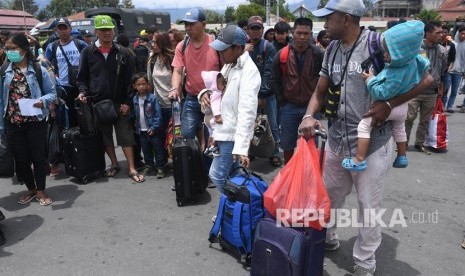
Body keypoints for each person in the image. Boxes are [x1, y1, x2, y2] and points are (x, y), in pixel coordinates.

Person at [298, 0, 433, 275]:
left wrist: (389, 104)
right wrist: (308, 116)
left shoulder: (380, 45)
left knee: (367, 206)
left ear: (346, 19)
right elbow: (320, 91)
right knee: (330, 197)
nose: (325, 24)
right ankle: (329, 237)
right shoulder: (332, 49)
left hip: (372, 143)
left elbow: (427, 79)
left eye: (329, 18)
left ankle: (364, 263)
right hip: (337, 140)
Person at [342, 20, 430, 171]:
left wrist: (370, 79)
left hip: (390, 107)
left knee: (364, 126)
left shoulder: (397, 72)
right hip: (402, 107)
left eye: (389, 52)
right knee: (399, 129)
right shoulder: (415, 60)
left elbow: (382, 92)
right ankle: (402, 156)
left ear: (401, 53)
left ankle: (359, 159)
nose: (385, 55)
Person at [76, 15, 144, 183]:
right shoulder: (88, 52)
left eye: (109, 30)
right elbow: (82, 78)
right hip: (98, 104)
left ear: (114, 31)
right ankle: (114, 164)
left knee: (126, 136)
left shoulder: (123, 52)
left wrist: (128, 103)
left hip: (120, 103)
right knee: (106, 137)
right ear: (96, 32)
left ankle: (131, 168)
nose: (107, 33)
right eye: (103, 30)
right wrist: (83, 92)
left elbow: (131, 80)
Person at [199, 25, 260, 193]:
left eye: (224, 50)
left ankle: (232, 210)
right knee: (233, 176)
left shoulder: (249, 72)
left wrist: (241, 147)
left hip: (232, 134)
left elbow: (247, 112)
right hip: (223, 131)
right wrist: (204, 93)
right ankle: (235, 213)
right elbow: (217, 88)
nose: (220, 54)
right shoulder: (229, 65)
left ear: (239, 48)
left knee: (217, 175)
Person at [0, 33, 57, 206]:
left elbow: (52, 93)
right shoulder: (4, 72)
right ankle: (31, 189)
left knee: (38, 157)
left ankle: (40, 190)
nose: (10, 52)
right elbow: (1, 100)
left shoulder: (38, 69)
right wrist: (2, 127)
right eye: (7, 49)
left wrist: (42, 101)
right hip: (13, 123)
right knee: (21, 159)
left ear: (24, 49)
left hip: (36, 122)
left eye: (13, 48)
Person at [271, 17, 324, 164]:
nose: (302, 37)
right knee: (287, 144)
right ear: (293, 33)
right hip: (289, 107)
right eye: (299, 33)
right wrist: (282, 102)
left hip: (311, 108)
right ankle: (288, 171)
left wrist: (320, 105)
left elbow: (324, 82)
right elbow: (273, 79)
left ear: (311, 34)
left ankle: (309, 172)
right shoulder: (282, 54)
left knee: (312, 144)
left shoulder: (318, 54)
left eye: (306, 33)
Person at [169, 8, 221, 146]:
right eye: (186, 24)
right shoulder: (182, 46)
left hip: (213, 99)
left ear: (203, 24)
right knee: (186, 137)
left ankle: (209, 166)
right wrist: (174, 88)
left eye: (192, 24)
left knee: (212, 139)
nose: (188, 28)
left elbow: (225, 71)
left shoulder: (216, 44)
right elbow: (178, 71)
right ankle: (191, 165)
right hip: (192, 98)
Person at [405, 21, 447, 155]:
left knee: (425, 120)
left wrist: (441, 88)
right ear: (428, 34)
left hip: (432, 92)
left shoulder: (442, 50)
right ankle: (403, 143)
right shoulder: (416, 48)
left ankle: (419, 144)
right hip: (415, 90)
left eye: (441, 32)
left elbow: (443, 71)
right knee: (409, 118)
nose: (441, 35)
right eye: (437, 32)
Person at [246, 15, 281, 167]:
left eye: (258, 28)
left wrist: (262, 94)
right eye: (252, 28)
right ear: (248, 30)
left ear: (262, 30)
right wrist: (244, 53)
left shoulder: (268, 47)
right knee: (251, 124)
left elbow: (268, 72)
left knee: (272, 124)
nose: (255, 31)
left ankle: (274, 153)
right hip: (249, 94)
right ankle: (253, 151)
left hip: (266, 94)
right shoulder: (243, 47)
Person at [45, 17, 87, 128]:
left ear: (70, 29)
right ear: (56, 31)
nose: (63, 31)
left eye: (65, 28)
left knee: (85, 118)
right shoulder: (52, 47)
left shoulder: (81, 44)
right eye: (60, 28)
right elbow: (46, 64)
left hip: (81, 87)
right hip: (63, 88)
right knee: (68, 119)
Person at [131, 73, 166, 178]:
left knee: (158, 148)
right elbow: (135, 114)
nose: (141, 86)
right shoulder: (135, 99)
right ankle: (149, 165)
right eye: (138, 84)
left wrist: (154, 127)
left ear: (147, 85)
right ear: (134, 86)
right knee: (145, 149)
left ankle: (160, 167)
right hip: (141, 130)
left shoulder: (152, 98)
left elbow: (157, 115)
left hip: (152, 130)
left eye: (143, 83)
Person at [200, 71, 225, 147]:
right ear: (214, 85)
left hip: (208, 119)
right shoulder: (216, 94)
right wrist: (218, 116)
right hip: (214, 119)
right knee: (215, 134)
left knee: (211, 134)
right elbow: (215, 106)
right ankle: (214, 146)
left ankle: (211, 147)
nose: (224, 85)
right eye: (222, 83)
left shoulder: (210, 93)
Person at [441, 25, 456, 113]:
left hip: (446, 71)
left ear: (448, 33)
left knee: (444, 90)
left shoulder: (451, 45)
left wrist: (449, 68)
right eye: (441, 32)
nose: (443, 34)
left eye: (445, 32)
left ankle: (443, 106)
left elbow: (452, 59)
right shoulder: (436, 43)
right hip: (435, 70)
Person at [449, 27, 465, 113]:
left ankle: (450, 106)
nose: (463, 35)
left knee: (454, 91)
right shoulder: (453, 43)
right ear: (458, 33)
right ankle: (443, 105)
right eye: (461, 33)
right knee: (445, 89)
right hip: (449, 70)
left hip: (459, 72)